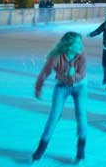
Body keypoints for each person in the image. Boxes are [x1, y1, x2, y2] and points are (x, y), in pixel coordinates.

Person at [32, 32, 87, 163]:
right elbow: (45, 73)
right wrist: (38, 88)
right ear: (69, 46)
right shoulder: (56, 57)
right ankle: (38, 154)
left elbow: (82, 74)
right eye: (77, 43)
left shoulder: (81, 57)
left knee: (81, 116)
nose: (81, 45)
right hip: (62, 86)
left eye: (80, 42)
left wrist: (72, 75)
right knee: (53, 117)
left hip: (80, 87)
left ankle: (80, 154)